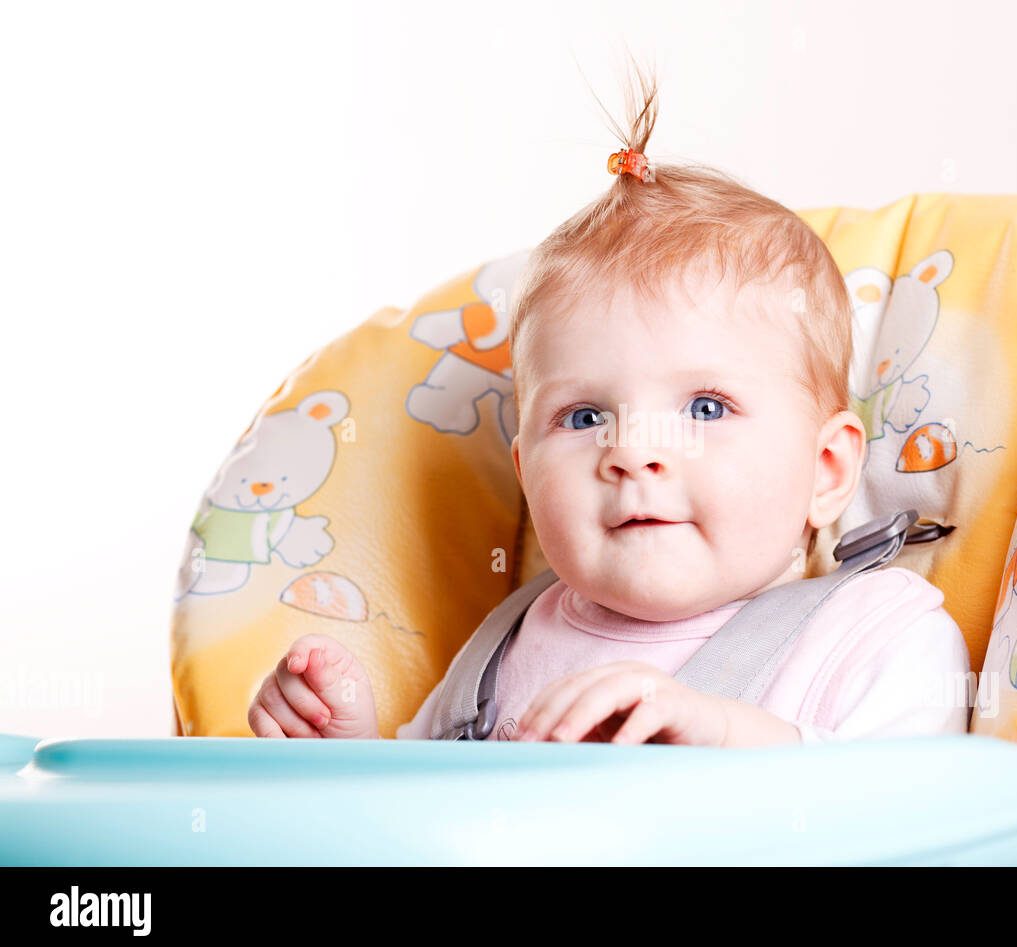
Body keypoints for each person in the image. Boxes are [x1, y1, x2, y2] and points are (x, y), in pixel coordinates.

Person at [248, 61, 970, 746]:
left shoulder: (872, 633)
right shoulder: (507, 642)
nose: (632, 450)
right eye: (586, 417)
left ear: (827, 469)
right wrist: (351, 750)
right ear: (527, 473)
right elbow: (429, 818)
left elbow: (931, 815)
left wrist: (721, 735)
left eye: (706, 408)